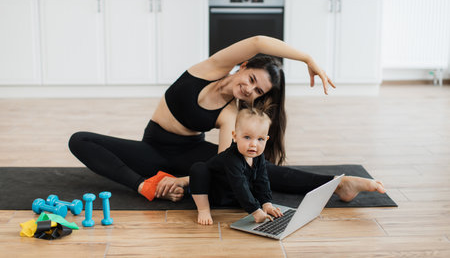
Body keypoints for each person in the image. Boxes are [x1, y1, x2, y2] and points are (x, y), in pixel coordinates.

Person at [68, 35, 385, 204]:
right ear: (242, 65)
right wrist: (307, 58)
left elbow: (220, 163)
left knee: (250, 168)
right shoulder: (211, 68)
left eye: (256, 90)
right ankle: (144, 186)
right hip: (152, 149)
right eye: (249, 78)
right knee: (79, 140)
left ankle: (338, 185)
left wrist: (181, 182)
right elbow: (260, 41)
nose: (247, 88)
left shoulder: (230, 113)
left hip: (189, 155)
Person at [190, 103, 282, 225]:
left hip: (232, 195)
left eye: (260, 139)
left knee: (257, 181)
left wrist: (266, 203)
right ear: (235, 136)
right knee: (198, 169)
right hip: (215, 192)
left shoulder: (258, 156)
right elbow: (239, 185)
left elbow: (262, 179)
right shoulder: (231, 158)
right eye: (247, 137)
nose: (254, 144)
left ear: (266, 139)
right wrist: (255, 211)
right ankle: (203, 209)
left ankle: (254, 202)